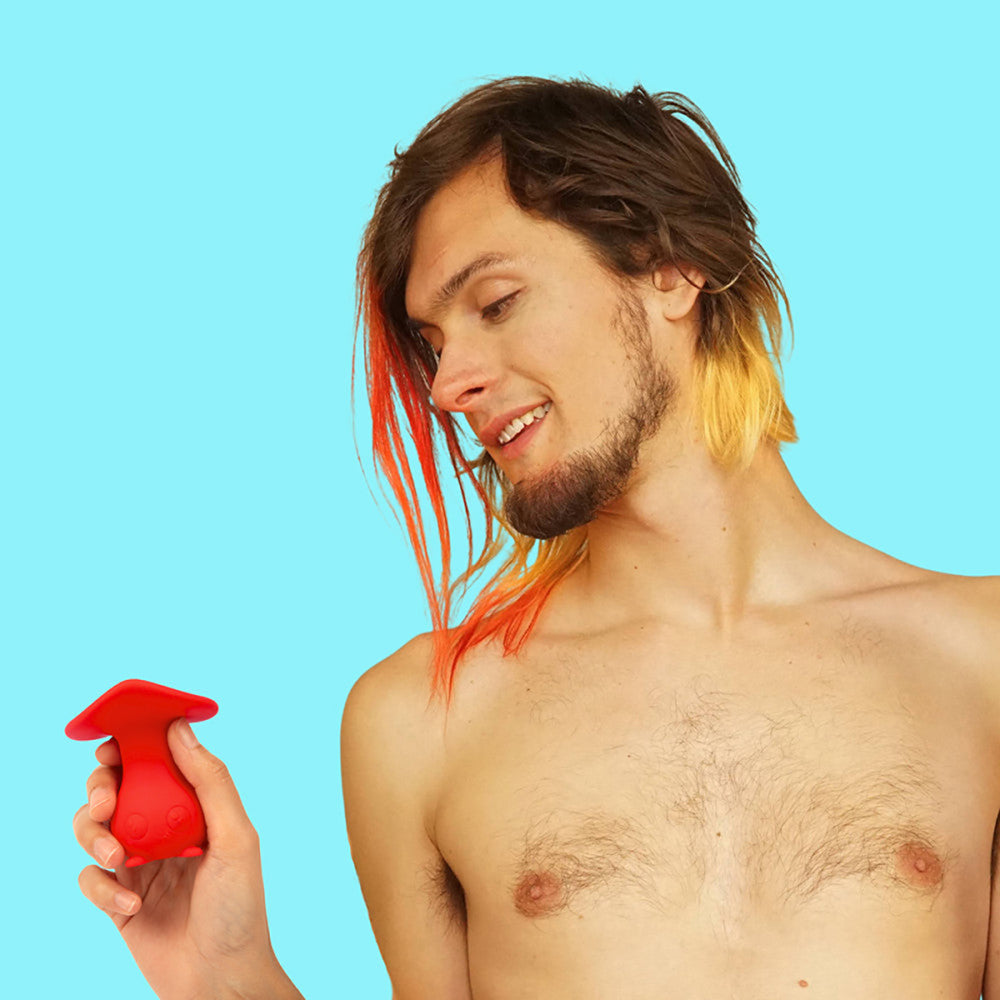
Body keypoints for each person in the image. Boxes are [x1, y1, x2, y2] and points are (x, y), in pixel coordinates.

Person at [74, 77, 1000, 999]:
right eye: (434, 342)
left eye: (498, 302)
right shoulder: (420, 723)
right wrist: (223, 980)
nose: (447, 386)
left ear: (668, 268)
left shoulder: (979, 661)